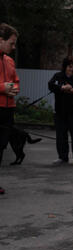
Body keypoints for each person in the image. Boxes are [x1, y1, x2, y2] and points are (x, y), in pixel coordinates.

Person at [0, 23, 20, 195]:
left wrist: (14, 88)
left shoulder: (9, 60)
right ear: (1, 40)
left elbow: (15, 81)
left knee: (1, 146)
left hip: (8, 109)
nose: (13, 47)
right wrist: (2, 88)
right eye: (11, 43)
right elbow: (3, 85)